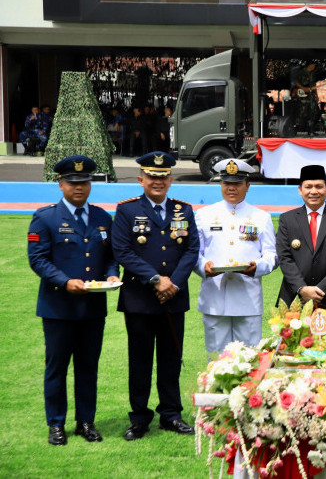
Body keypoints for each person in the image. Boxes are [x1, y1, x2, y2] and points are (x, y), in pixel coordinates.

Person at [27, 155, 120, 445]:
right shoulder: (46, 218)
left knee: (88, 367)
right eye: (72, 182)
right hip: (58, 307)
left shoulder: (103, 218)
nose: (79, 187)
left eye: (84, 182)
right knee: (56, 368)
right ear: (61, 184)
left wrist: (113, 275)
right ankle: (56, 424)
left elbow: (110, 257)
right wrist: (64, 281)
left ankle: (85, 422)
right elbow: (37, 259)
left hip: (92, 308)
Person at [111, 152, 200, 441]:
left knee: (171, 359)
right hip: (139, 297)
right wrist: (155, 280)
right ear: (141, 180)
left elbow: (191, 250)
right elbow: (122, 251)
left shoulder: (184, 211)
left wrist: (173, 282)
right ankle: (139, 418)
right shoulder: (126, 211)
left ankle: (171, 414)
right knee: (139, 360)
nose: (157, 182)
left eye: (163, 177)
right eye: (152, 177)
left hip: (174, 296)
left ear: (170, 180)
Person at [194, 158, 278, 352]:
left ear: (247, 186)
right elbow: (194, 253)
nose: (231, 188)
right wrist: (203, 267)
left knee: (249, 359)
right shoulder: (204, 215)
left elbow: (271, 255)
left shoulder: (261, 217)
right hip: (214, 298)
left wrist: (258, 267)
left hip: (247, 298)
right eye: (226, 183)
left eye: (237, 184)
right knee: (216, 362)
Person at [276, 165, 326, 308]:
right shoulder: (287, 219)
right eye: (308, 187)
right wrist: (302, 289)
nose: (313, 191)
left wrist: (320, 290)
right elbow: (284, 257)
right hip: (295, 297)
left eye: (319, 186)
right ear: (300, 190)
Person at [292, 61, 319, 135]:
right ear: (309, 65)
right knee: (302, 113)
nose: (314, 67)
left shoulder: (312, 74)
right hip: (303, 95)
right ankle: (296, 129)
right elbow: (296, 82)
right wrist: (304, 88)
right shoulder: (301, 72)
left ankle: (311, 130)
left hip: (311, 95)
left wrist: (316, 95)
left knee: (314, 112)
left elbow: (314, 85)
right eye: (313, 65)